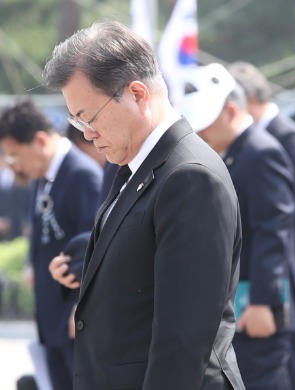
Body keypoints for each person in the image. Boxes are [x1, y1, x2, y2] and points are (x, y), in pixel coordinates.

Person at [43, 21, 244, 390]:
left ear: (137, 94)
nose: (86, 133)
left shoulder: (190, 177)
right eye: (75, 120)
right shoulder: (134, 167)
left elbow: (183, 339)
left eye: (88, 117)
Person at [177, 63, 295, 390]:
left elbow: (273, 231)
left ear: (231, 111)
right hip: (240, 303)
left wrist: (263, 301)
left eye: (206, 126)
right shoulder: (238, 152)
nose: (200, 136)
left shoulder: (261, 153)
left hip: (256, 305)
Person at [228, 60, 295, 390]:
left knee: (291, 368)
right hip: (276, 270)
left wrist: (289, 276)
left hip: (290, 271)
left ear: (248, 98)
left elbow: (294, 214)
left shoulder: (286, 136)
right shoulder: (251, 142)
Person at [0, 99, 102, 390]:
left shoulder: (82, 175)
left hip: (75, 318)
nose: (14, 165)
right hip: (51, 313)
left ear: (40, 140)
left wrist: (82, 306)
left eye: (15, 155)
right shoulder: (41, 177)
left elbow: (95, 245)